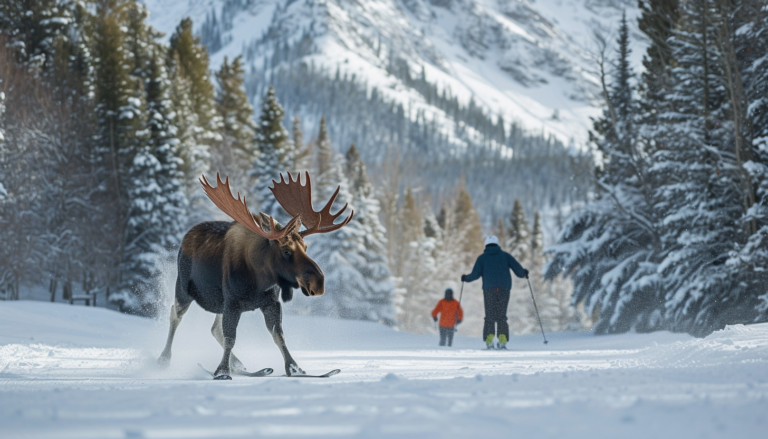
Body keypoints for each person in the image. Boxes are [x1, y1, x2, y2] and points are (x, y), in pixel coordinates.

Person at [461, 235, 528, 350]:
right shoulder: (506, 256)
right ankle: (502, 341)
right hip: (504, 289)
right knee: (501, 316)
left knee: (490, 316)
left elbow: (475, 275)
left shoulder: (482, 258)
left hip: (489, 290)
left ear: (486, 245)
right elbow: (519, 271)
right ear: (497, 244)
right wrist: (524, 273)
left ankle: (490, 341)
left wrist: (465, 278)